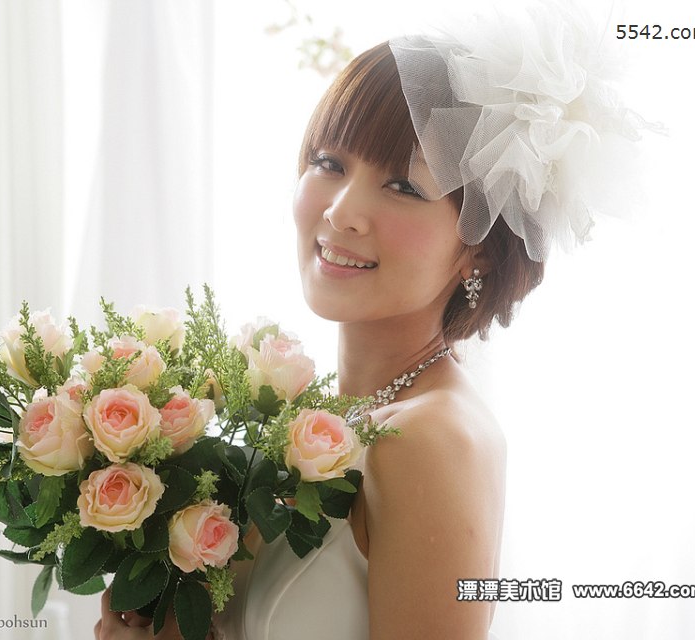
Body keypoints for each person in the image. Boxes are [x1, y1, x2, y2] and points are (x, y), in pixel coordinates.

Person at [95, 3, 654, 638]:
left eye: (405, 186)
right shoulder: (319, 419)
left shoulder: (430, 440)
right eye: (329, 163)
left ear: (478, 246)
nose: (340, 211)